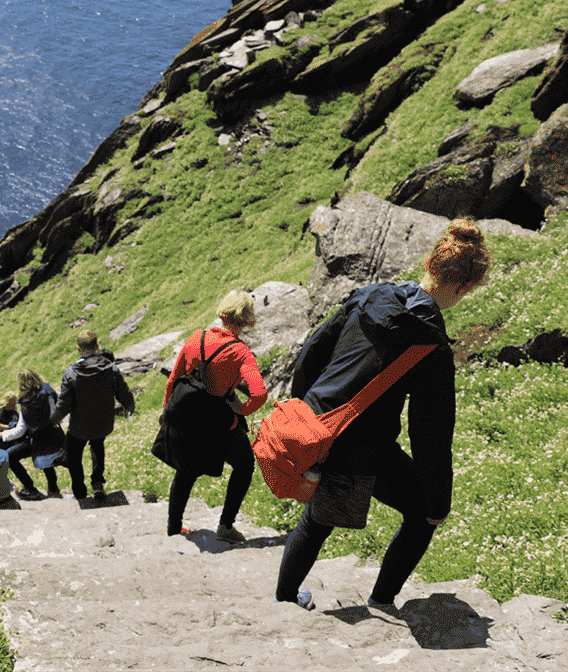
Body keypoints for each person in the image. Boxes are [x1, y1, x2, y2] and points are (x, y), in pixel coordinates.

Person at [272, 218, 492, 611]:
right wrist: (439, 501)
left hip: (315, 422)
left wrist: (307, 416)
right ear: (464, 287)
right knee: (424, 513)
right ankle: (380, 602)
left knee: (316, 517)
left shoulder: (370, 295)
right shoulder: (432, 347)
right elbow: (431, 434)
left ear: (428, 263)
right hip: (360, 443)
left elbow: (311, 354)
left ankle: (286, 598)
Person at [162, 290, 266, 543]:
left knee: (185, 470)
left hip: (185, 414)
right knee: (244, 464)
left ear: (224, 312)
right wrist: (242, 409)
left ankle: (174, 527)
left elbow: (174, 378)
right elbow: (260, 393)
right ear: (246, 319)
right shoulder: (242, 353)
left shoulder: (197, 337)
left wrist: (167, 411)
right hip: (217, 421)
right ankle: (226, 526)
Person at [49, 330, 135, 500]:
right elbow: (123, 393)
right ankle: (97, 484)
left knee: (74, 457)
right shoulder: (111, 368)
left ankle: (80, 492)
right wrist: (129, 407)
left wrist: (53, 420)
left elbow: (64, 404)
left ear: (79, 349)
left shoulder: (71, 373)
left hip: (79, 427)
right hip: (103, 423)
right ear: (96, 347)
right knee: (98, 446)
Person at [0, 370, 64, 500]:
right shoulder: (48, 390)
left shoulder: (26, 402)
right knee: (47, 455)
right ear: (36, 377)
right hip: (56, 435)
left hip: (38, 439)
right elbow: (57, 409)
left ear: (21, 384)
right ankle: (53, 489)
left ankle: (31, 489)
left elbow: (19, 431)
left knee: (9, 456)